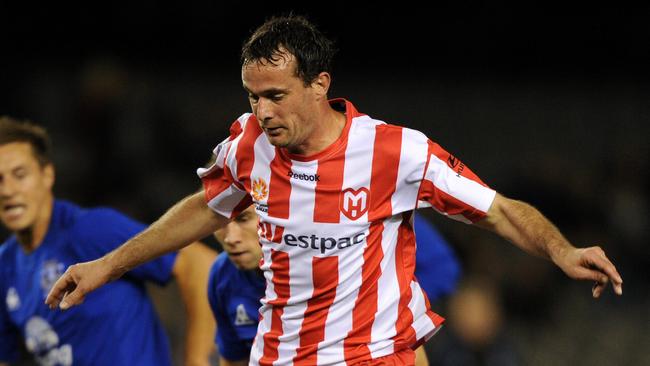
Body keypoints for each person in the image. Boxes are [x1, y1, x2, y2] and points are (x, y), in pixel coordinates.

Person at [46, 15, 623, 366]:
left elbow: (497, 211)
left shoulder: (395, 152)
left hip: (370, 355)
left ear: (320, 84)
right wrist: (110, 265)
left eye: (275, 95)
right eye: (252, 96)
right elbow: (205, 208)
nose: (261, 112)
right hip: (280, 353)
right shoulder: (249, 145)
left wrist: (562, 251)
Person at [0, 116, 216, 366]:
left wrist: (197, 359)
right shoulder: (5, 267)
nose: (7, 190)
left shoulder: (88, 229)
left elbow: (199, 264)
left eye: (19, 174)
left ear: (47, 175)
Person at [207, 206, 460, 366]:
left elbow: (443, 267)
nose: (230, 238)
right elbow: (233, 357)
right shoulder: (222, 277)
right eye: (220, 221)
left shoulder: (337, 251)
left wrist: (386, 303)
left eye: (243, 219)